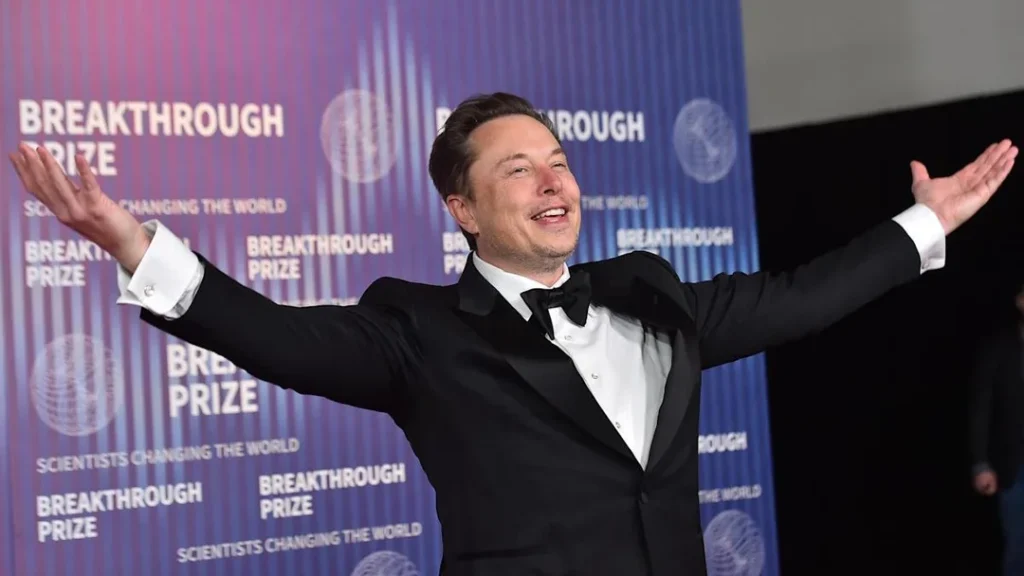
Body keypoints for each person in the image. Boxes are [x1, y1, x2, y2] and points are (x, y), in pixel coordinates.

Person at [8, 92, 1017, 575]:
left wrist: (922, 225)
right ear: (463, 208)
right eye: (517, 170)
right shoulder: (418, 331)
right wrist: (130, 240)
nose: (552, 180)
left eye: (558, 160)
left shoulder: (652, 295)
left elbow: (802, 297)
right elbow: (270, 336)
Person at [969, 283, 1024, 575]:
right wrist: (980, 464)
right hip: (1015, 466)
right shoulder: (998, 348)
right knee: (1017, 548)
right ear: (1020, 301)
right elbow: (981, 408)